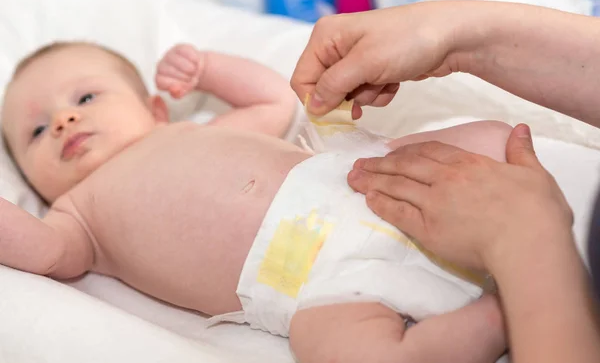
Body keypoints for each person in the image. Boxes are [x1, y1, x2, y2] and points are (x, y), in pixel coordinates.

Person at [0, 41, 514, 362]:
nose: (64, 122)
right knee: (338, 350)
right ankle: (498, 318)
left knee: (492, 139)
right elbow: (42, 251)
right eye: (37, 131)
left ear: (155, 108)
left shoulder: (192, 131)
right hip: (305, 282)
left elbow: (272, 99)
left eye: (85, 98)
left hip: (358, 182)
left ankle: (520, 217)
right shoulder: (75, 216)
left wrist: (208, 68)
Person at [290, 0, 600, 363]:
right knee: (498, 142)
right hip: (347, 229)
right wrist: (453, 35)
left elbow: (267, 103)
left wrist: (526, 243)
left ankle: (505, 312)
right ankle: (504, 309)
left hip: (324, 268)